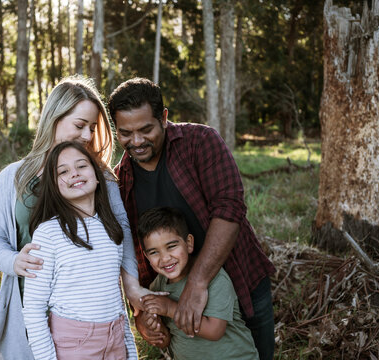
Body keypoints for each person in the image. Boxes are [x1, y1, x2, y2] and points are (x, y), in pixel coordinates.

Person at [108, 77, 276, 360]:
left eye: (146, 129)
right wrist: (141, 312)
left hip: (239, 282)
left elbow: (229, 207)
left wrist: (197, 284)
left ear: (163, 117)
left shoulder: (199, 142)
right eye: (126, 133)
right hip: (173, 299)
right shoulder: (120, 181)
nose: (136, 141)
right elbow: (128, 253)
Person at [0, 76, 145, 360]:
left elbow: (122, 231)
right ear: (55, 119)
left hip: (88, 313)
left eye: (93, 127)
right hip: (29, 304)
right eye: (80, 125)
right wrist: (13, 261)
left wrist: (131, 285)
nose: (87, 135)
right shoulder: (13, 177)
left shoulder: (99, 178)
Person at [23, 141, 137, 359]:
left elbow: (116, 299)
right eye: (63, 171)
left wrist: (130, 352)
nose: (74, 173)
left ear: (96, 174)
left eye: (81, 166)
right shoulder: (48, 233)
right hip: (75, 344)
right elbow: (34, 308)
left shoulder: (111, 227)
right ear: (54, 186)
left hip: (115, 338)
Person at [138, 207, 259, 360]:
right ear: (146, 256)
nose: (165, 258)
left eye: (171, 246)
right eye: (154, 252)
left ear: (188, 243)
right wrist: (155, 327)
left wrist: (169, 308)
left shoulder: (214, 278)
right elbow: (165, 341)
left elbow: (215, 331)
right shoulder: (157, 288)